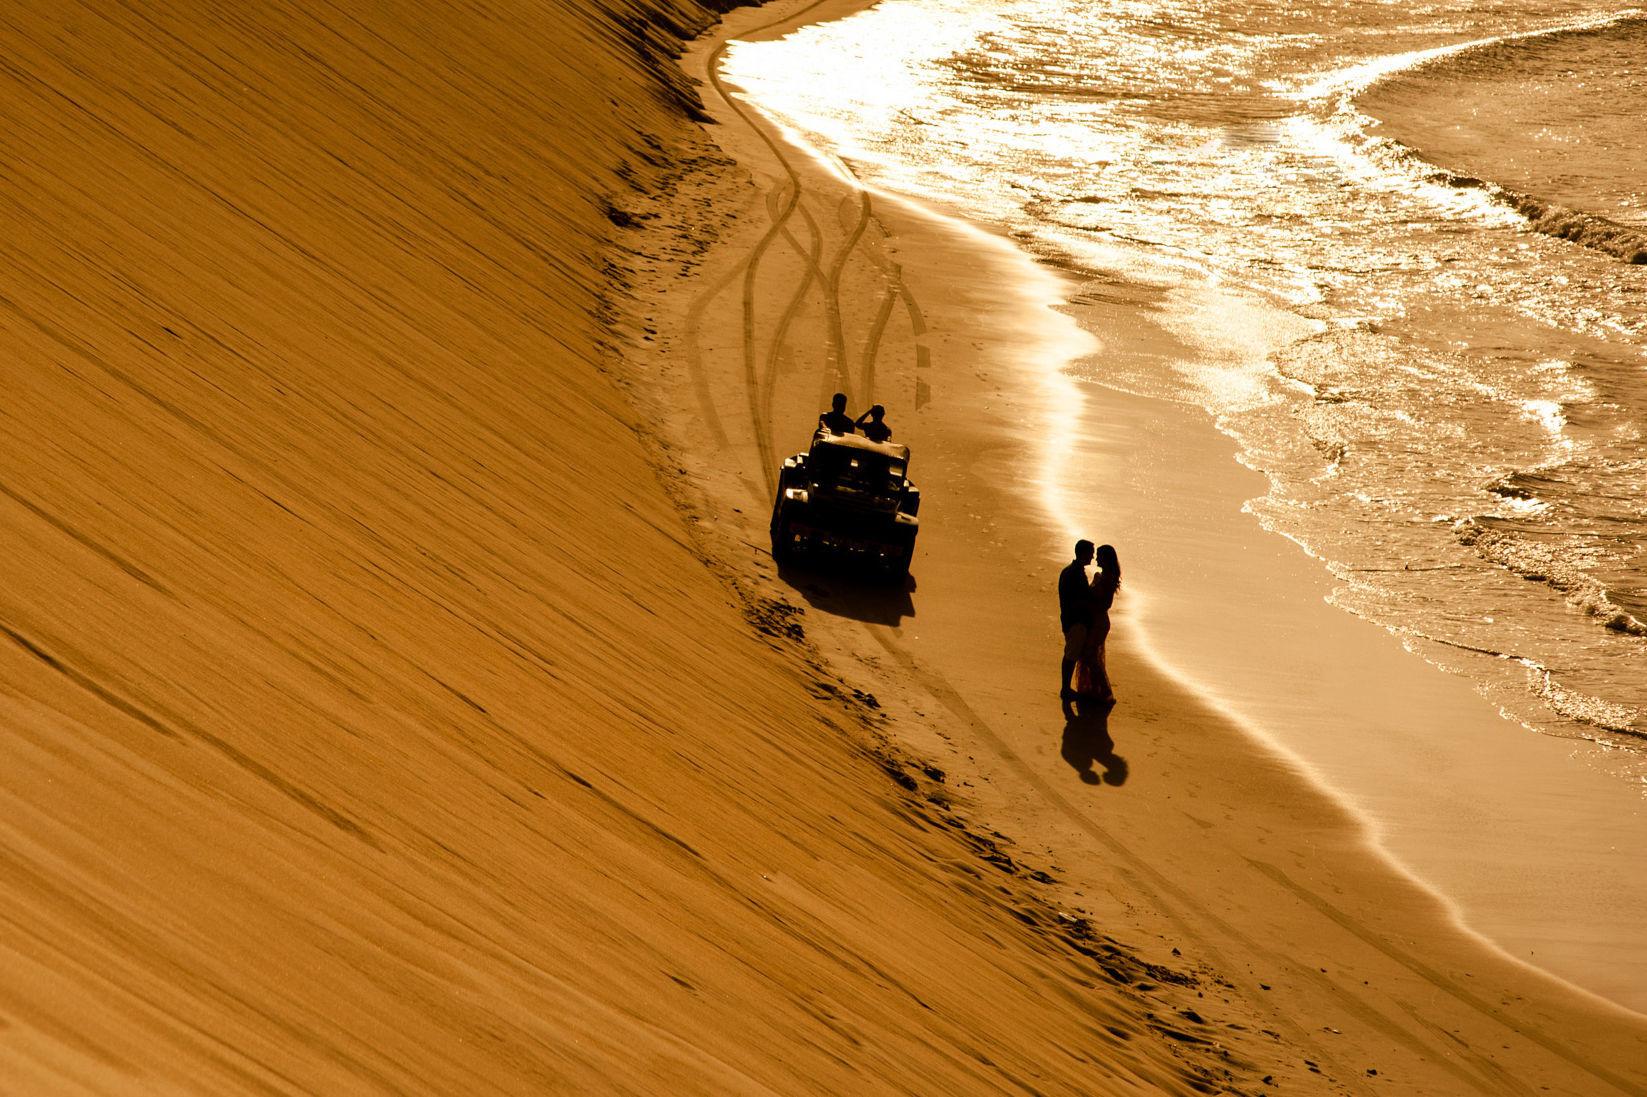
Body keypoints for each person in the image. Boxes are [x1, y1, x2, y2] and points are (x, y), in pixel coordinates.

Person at [1075, 544, 1120, 704]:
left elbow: (1105, 605)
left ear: (1106, 559)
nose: (1096, 558)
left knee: (1090, 655)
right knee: (1090, 655)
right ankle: (1095, 690)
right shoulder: (1100, 576)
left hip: (1099, 621)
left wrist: (1085, 605)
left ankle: (1103, 690)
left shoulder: (1108, 579)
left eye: (1100, 556)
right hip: (1093, 620)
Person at [1058, 540, 1095, 700]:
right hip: (1075, 621)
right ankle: (1065, 689)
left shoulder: (1070, 571)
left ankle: (1066, 688)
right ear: (1084, 553)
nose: (1093, 557)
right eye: (1091, 553)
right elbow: (1077, 600)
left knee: (1071, 654)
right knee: (1071, 655)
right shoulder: (1075, 573)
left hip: (1069, 619)